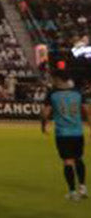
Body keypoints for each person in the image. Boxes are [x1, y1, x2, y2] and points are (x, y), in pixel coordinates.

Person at [41, 71, 88, 200]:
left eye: (54, 79)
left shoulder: (53, 94)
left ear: (58, 79)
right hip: (78, 132)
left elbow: (45, 113)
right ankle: (83, 188)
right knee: (79, 158)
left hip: (63, 133)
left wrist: (43, 125)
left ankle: (72, 192)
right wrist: (88, 122)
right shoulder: (78, 93)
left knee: (68, 161)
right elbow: (86, 110)